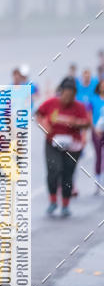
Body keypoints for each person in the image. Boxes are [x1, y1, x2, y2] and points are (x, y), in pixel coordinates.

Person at [35, 77, 91, 217]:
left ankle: (65, 204)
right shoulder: (51, 103)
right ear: (61, 91)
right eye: (66, 94)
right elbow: (38, 114)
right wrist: (43, 124)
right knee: (54, 170)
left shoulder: (79, 106)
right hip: (52, 142)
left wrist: (76, 123)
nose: (68, 98)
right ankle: (53, 201)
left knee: (67, 174)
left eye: (71, 95)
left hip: (72, 146)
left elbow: (87, 123)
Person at [90, 79, 104, 192]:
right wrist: (94, 129)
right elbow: (89, 115)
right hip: (97, 131)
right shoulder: (94, 99)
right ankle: (98, 182)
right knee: (98, 155)